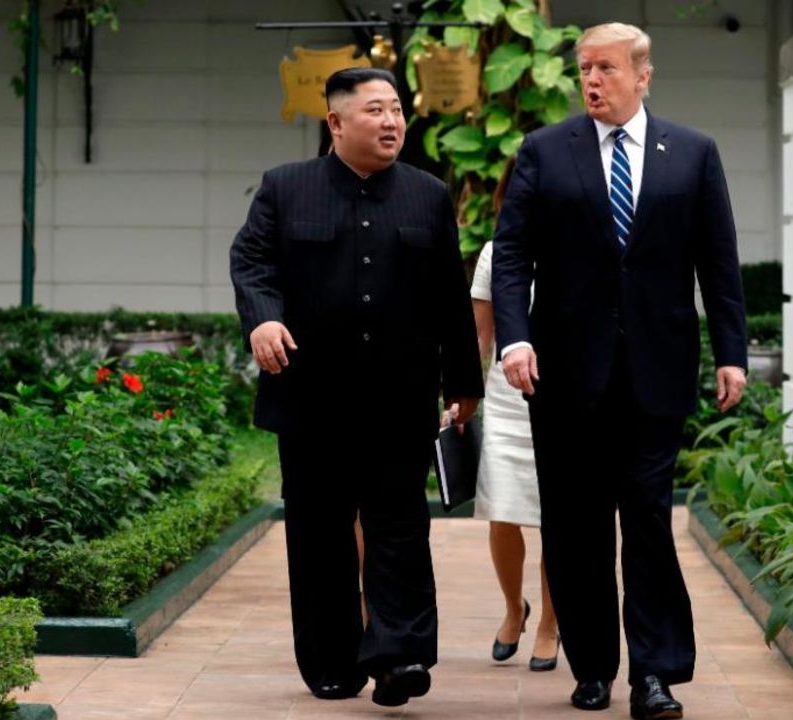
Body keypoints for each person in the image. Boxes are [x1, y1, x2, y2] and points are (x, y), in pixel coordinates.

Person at [491, 22, 749, 720]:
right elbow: (512, 255)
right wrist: (513, 340)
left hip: (655, 372)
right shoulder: (546, 151)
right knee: (575, 528)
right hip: (564, 376)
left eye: (606, 68)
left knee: (646, 522)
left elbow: (717, 263)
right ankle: (594, 666)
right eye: (584, 69)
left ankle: (655, 674)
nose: (592, 81)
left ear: (644, 75)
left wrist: (732, 352)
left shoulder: (693, 154)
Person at [229, 67, 482, 708]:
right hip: (310, 399)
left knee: (399, 528)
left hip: (399, 399)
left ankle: (398, 657)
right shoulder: (285, 189)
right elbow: (252, 261)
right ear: (336, 122)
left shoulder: (427, 195)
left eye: (396, 109)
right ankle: (333, 660)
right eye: (375, 110)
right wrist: (264, 319)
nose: (392, 121)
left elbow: (452, 297)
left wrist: (463, 382)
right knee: (320, 534)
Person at [468, 157, 560, 672]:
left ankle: (550, 622)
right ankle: (513, 608)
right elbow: (480, 337)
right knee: (502, 512)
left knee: (557, 519)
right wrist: (459, 396)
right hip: (506, 401)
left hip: (565, 399)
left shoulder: (580, 245)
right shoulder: (494, 253)